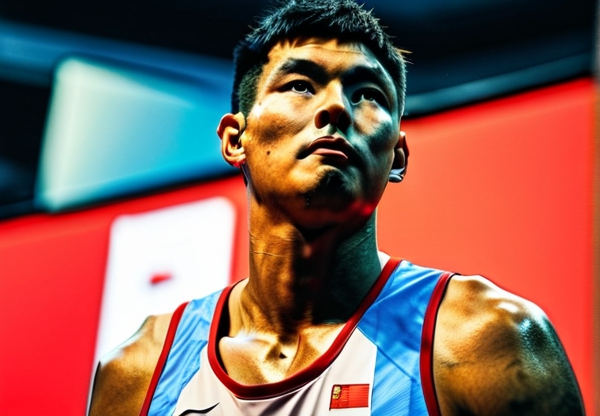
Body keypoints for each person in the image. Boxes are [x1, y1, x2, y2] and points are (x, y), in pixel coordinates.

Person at [88, 1, 584, 415]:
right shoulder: (139, 372)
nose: (336, 108)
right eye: (300, 85)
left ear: (397, 157)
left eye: (367, 94)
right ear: (236, 138)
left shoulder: (484, 338)